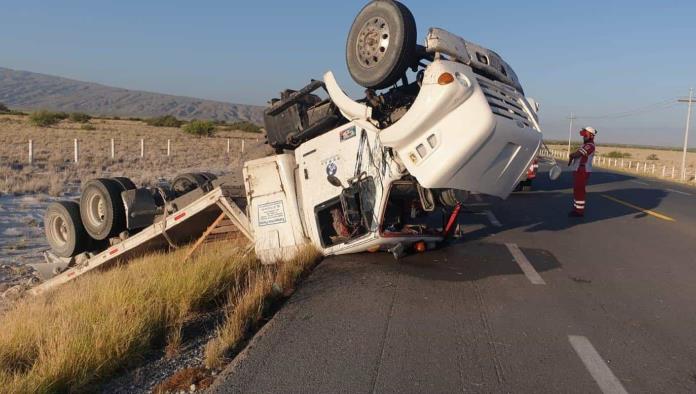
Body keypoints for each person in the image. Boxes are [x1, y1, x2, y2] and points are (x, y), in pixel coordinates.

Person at [568, 127, 597, 217]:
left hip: (583, 170)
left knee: (580, 191)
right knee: (577, 190)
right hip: (579, 170)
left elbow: (578, 154)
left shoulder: (590, 146)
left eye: (585, 135)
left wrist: (571, 155)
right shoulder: (585, 145)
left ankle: (579, 211)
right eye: (583, 135)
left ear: (591, 136)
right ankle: (576, 209)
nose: (583, 137)